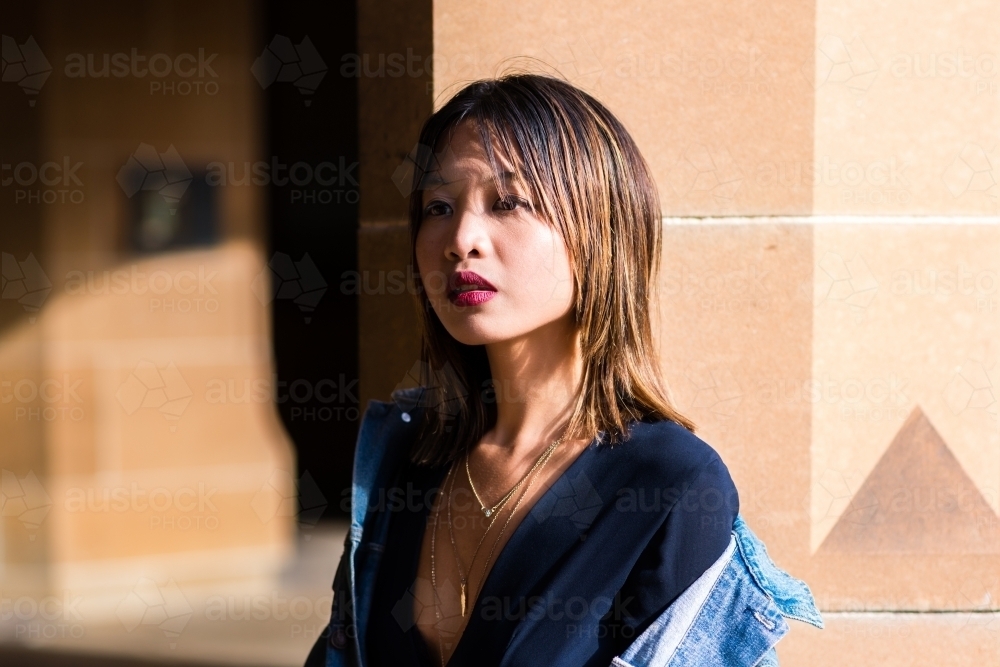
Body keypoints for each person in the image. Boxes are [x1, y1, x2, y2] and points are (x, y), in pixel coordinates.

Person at [306, 72, 821, 667]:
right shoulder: (402, 451)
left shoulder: (669, 484)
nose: (461, 239)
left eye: (508, 203)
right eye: (438, 207)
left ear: (598, 230)